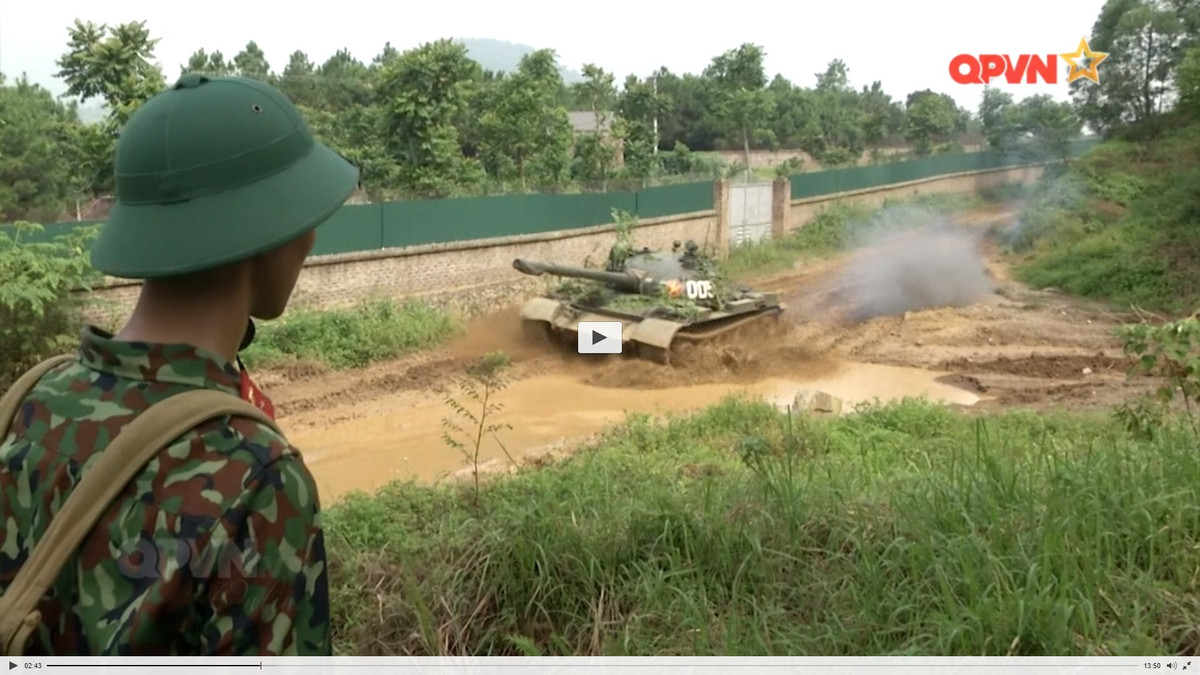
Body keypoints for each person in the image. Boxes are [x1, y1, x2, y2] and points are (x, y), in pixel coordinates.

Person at [0, 73, 359, 655]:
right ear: (267, 233)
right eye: (303, 217)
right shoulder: (257, 481)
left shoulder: (28, 403)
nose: (311, 240)